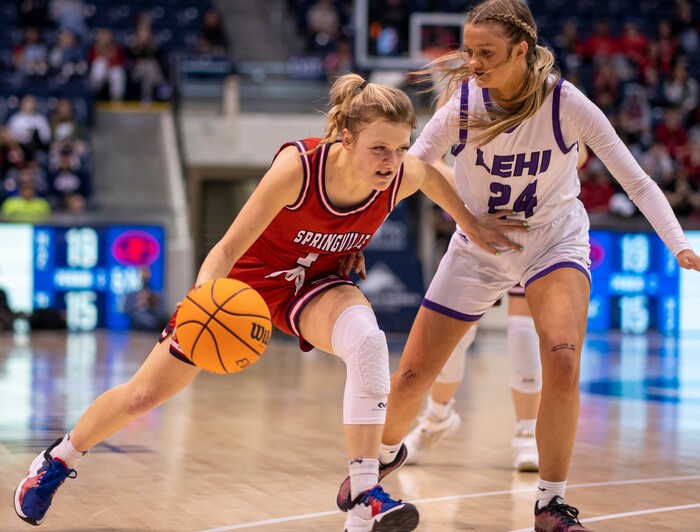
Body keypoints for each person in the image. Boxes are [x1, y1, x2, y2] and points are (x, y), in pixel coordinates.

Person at [13, 73, 526, 531]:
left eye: (399, 148)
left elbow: (432, 175)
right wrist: (201, 305)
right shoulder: (297, 169)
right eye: (379, 149)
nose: (392, 162)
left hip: (315, 285)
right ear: (345, 139)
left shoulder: (402, 174)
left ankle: (364, 492)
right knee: (143, 396)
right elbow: (227, 248)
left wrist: (472, 222)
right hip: (241, 290)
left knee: (368, 342)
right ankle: (55, 462)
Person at [336, 1, 700, 531]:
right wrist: (356, 234)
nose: (474, 61)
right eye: (469, 50)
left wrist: (676, 242)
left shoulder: (567, 104)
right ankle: (375, 464)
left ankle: (550, 503)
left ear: (521, 51)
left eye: (486, 52)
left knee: (562, 359)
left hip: (552, 239)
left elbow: (636, 179)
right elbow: (408, 168)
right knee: (412, 375)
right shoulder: (463, 103)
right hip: (478, 241)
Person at [405, 137, 591, 472]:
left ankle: (524, 433)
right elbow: (430, 165)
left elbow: (580, 154)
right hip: (478, 226)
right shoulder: (461, 97)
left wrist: (530, 177)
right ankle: (437, 417)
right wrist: (472, 194)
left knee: (523, 333)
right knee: (455, 340)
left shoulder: (546, 94)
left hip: (537, 230)